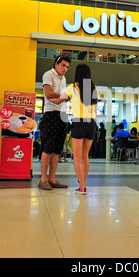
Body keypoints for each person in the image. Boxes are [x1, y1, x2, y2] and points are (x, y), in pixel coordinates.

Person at [57, 63, 99, 195]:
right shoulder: (93, 89)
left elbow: (59, 100)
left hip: (79, 123)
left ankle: (82, 187)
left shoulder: (72, 87)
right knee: (85, 156)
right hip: (91, 124)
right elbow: (95, 109)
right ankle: (83, 184)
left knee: (76, 157)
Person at [38, 55, 71, 190]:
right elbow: (48, 93)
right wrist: (64, 96)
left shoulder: (64, 79)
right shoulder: (48, 74)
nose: (65, 69)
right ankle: (43, 179)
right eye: (63, 65)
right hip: (50, 114)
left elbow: (57, 98)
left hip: (62, 115)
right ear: (56, 64)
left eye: (67, 67)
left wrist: (64, 98)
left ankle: (52, 179)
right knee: (48, 147)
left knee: (57, 149)